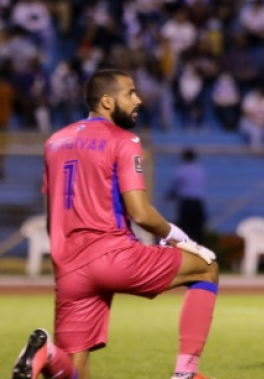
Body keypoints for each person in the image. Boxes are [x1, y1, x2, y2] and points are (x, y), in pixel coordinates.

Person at [12, 69, 218, 379]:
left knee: (75, 371)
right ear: (107, 101)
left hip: (69, 267)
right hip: (113, 255)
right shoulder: (124, 140)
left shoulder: (54, 142)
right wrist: (179, 236)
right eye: (130, 93)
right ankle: (186, 373)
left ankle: (48, 353)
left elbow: (52, 215)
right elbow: (140, 213)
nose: (139, 100)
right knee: (206, 267)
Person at [167, 148, 208, 245]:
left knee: (185, 230)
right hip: (198, 203)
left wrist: (169, 196)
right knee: (198, 231)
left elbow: (175, 187)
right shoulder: (200, 170)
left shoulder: (181, 170)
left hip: (186, 204)